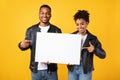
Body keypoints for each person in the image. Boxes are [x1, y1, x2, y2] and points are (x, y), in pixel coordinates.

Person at [18, 4, 62, 80]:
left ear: (50, 15)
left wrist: (52, 58)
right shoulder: (31, 30)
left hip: (51, 70)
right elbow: (25, 45)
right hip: (36, 70)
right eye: (42, 13)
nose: (45, 15)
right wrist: (21, 45)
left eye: (47, 13)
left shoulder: (56, 30)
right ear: (39, 14)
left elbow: (60, 49)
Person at [67, 10, 106, 80]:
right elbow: (65, 52)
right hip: (72, 69)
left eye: (82, 24)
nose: (80, 26)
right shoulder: (71, 36)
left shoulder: (93, 38)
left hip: (85, 69)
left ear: (87, 23)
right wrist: (67, 60)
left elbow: (103, 55)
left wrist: (94, 49)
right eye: (77, 24)